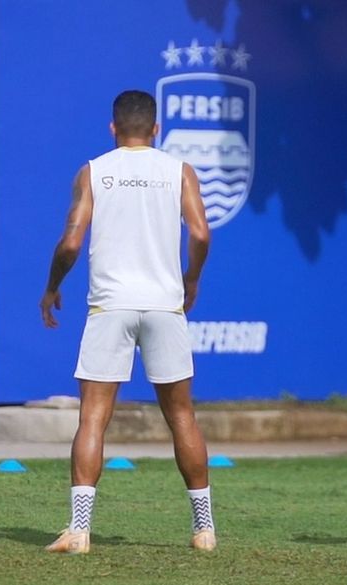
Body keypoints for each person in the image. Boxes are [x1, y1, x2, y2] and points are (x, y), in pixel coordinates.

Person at [39, 90, 215, 553]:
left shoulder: (94, 171)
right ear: (156, 129)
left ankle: (79, 530)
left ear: (113, 128)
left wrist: (52, 286)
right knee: (182, 416)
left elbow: (71, 242)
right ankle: (204, 530)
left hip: (111, 306)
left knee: (93, 418)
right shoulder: (179, 170)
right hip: (163, 305)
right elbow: (200, 233)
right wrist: (191, 279)